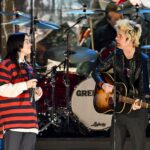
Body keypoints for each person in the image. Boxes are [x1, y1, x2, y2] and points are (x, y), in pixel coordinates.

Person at [92, 18, 150, 150]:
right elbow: (96, 71)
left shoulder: (143, 60)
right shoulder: (115, 56)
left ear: (130, 39)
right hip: (119, 110)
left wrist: (140, 100)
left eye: (120, 36)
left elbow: (145, 89)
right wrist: (103, 85)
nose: (116, 38)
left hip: (137, 113)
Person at [0, 32, 43, 150]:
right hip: (12, 122)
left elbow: (27, 95)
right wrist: (25, 85)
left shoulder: (28, 67)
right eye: (27, 41)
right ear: (18, 45)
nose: (30, 44)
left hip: (30, 122)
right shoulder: (6, 65)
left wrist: (37, 92)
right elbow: (2, 89)